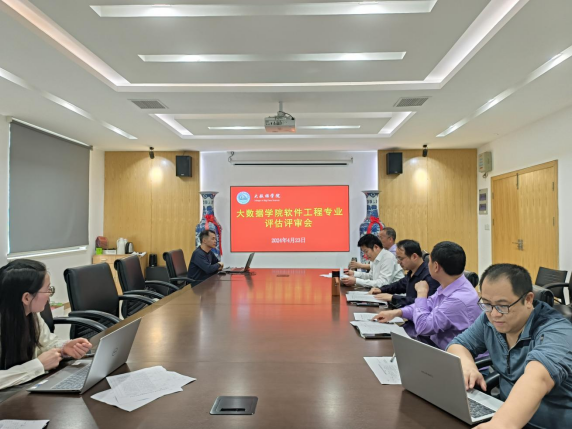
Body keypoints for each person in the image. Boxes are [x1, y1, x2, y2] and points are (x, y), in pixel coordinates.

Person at [448, 264, 572, 429]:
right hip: (502, 412)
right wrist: (467, 365)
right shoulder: (490, 320)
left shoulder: (557, 332)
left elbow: (537, 378)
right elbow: (458, 344)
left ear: (528, 300)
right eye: (487, 304)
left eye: (503, 306)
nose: (494, 314)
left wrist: (501, 424)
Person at [0, 260, 92, 390]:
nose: (49, 295)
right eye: (47, 290)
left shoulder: (31, 314)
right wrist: (38, 366)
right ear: (26, 298)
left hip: (24, 387)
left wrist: (64, 348)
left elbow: (45, 343)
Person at [372, 241, 481, 350]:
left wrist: (421, 293)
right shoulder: (449, 285)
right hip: (437, 345)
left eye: (429, 261)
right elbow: (427, 305)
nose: (427, 264)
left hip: (453, 355)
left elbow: (423, 327)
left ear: (436, 266)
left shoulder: (457, 299)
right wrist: (397, 312)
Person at [368, 239, 439, 307]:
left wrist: (393, 298)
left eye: (401, 258)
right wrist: (381, 289)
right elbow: (399, 285)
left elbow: (425, 304)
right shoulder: (412, 271)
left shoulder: (430, 276)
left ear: (414, 257)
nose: (398, 262)